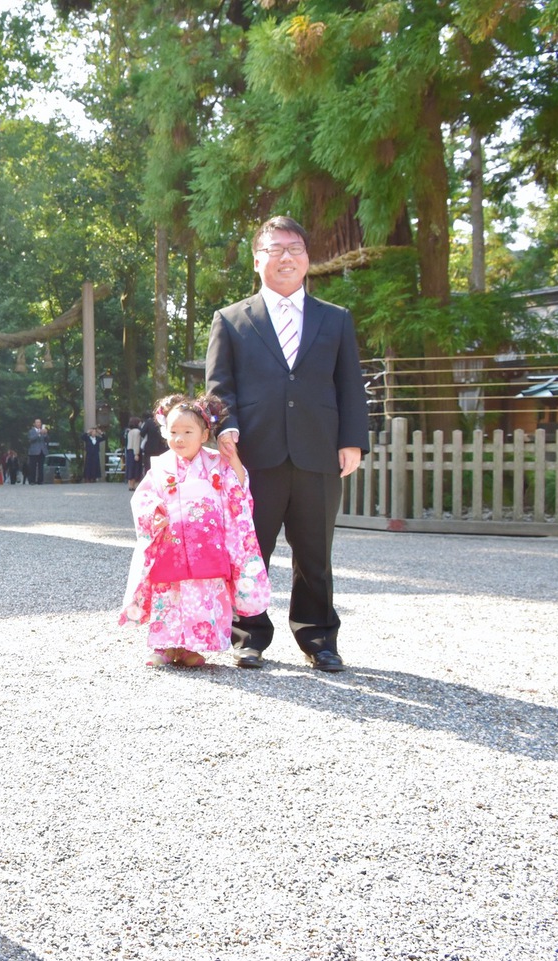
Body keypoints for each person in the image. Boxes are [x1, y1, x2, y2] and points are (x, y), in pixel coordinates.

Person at [206, 215, 370, 672]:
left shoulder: (335, 320)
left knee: (315, 552)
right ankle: (248, 636)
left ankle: (318, 638)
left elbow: (350, 385)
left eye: (295, 248)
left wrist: (353, 440)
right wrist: (225, 431)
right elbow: (220, 387)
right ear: (257, 260)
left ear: (307, 259)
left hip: (319, 451)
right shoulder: (232, 320)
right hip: (254, 455)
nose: (286, 257)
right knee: (251, 548)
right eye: (275, 249)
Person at [120, 394, 271, 666]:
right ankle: (165, 646)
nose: (179, 438)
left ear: (204, 435)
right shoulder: (161, 465)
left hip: (207, 547)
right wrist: (153, 512)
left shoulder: (217, 463)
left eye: (188, 431)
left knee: (201, 596)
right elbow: (143, 497)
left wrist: (233, 458)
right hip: (172, 544)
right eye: (173, 431)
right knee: (169, 594)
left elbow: (238, 491)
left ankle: (194, 647)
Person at [26, 419, 49, 485]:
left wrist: (46, 433)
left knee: (41, 467)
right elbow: (31, 439)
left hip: (42, 451)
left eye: (40, 422)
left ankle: (40, 480)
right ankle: (32, 480)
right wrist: (38, 433)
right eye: (37, 422)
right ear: (34, 424)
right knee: (32, 466)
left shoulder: (43, 431)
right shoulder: (31, 431)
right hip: (33, 451)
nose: (39, 423)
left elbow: (47, 440)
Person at [124, 418, 142, 490]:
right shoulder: (137, 431)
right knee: (135, 468)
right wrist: (136, 453)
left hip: (129, 451)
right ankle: (134, 485)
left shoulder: (129, 431)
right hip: (135, 451)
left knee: (130, 468)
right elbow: (136, 443)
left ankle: (130, 485)